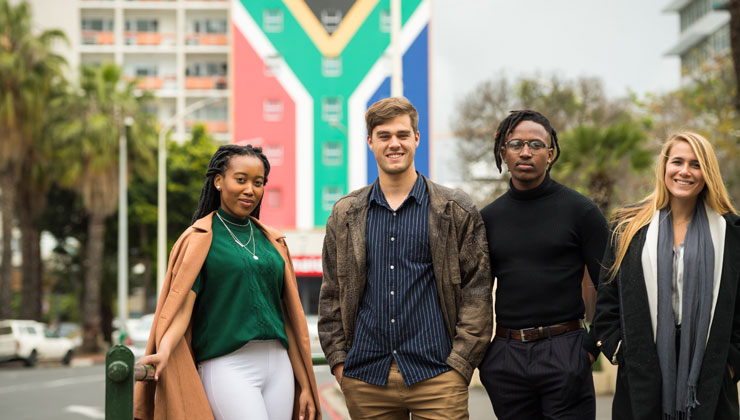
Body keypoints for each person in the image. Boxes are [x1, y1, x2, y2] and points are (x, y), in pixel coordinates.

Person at [318, 97, 492, 419]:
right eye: (384, 136)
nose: (394, 143)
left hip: (438, 375)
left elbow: (477, 292)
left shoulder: (455, 210)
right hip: (367, 378)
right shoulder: (346, 214)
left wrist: (460, 364)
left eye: (402, 134)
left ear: (416, 138)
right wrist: (340, 364)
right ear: (370, 142)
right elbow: (331, 295)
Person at [133, 145, 320, 420]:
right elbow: (181, 310)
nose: (250, 190)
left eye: (258, 183)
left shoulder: (273, 241)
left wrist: (305, 385)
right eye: (241, 179)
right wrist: (164, 351)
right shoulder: (199, 238)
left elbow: (288, 318)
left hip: (279, 364)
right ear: (219, 181)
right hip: (228, 365)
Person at [592, 132, 740, 419]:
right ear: (664, 167)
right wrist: (623, 351)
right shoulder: (628, 227)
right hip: (642, 370)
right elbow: (607, 303)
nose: (685, 171)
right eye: (678, 162)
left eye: (696, 164)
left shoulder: (731, 232)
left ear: (707, 172)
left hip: (710, 374)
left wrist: (732, 362)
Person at [477, 110, 608, 420]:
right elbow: (473, 292)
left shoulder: (581, 211)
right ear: (503, 153)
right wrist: (487, 357)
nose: (526, 151)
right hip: (506, 357)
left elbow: (612, 285)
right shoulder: (487, 219)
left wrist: (590, 348)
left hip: (565, 349)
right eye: (517, 143)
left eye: (536, 145)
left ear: (550, 155)